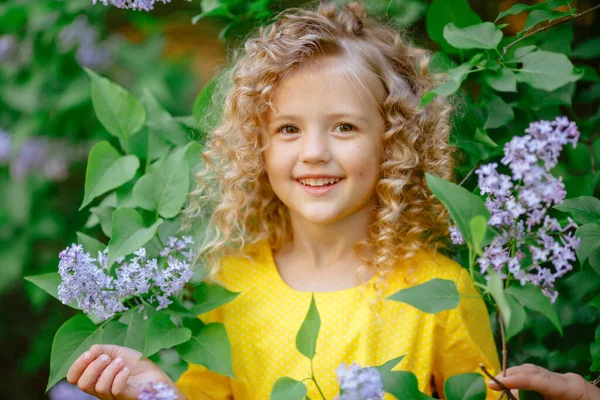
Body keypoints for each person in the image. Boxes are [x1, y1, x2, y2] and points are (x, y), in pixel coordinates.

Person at [64, 1, 593, 399]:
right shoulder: (229, 284)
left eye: (343, 126)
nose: (314, 152)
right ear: (257, 145)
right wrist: (158, 389)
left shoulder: (441, 293)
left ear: (394, 141)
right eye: (289, 128)